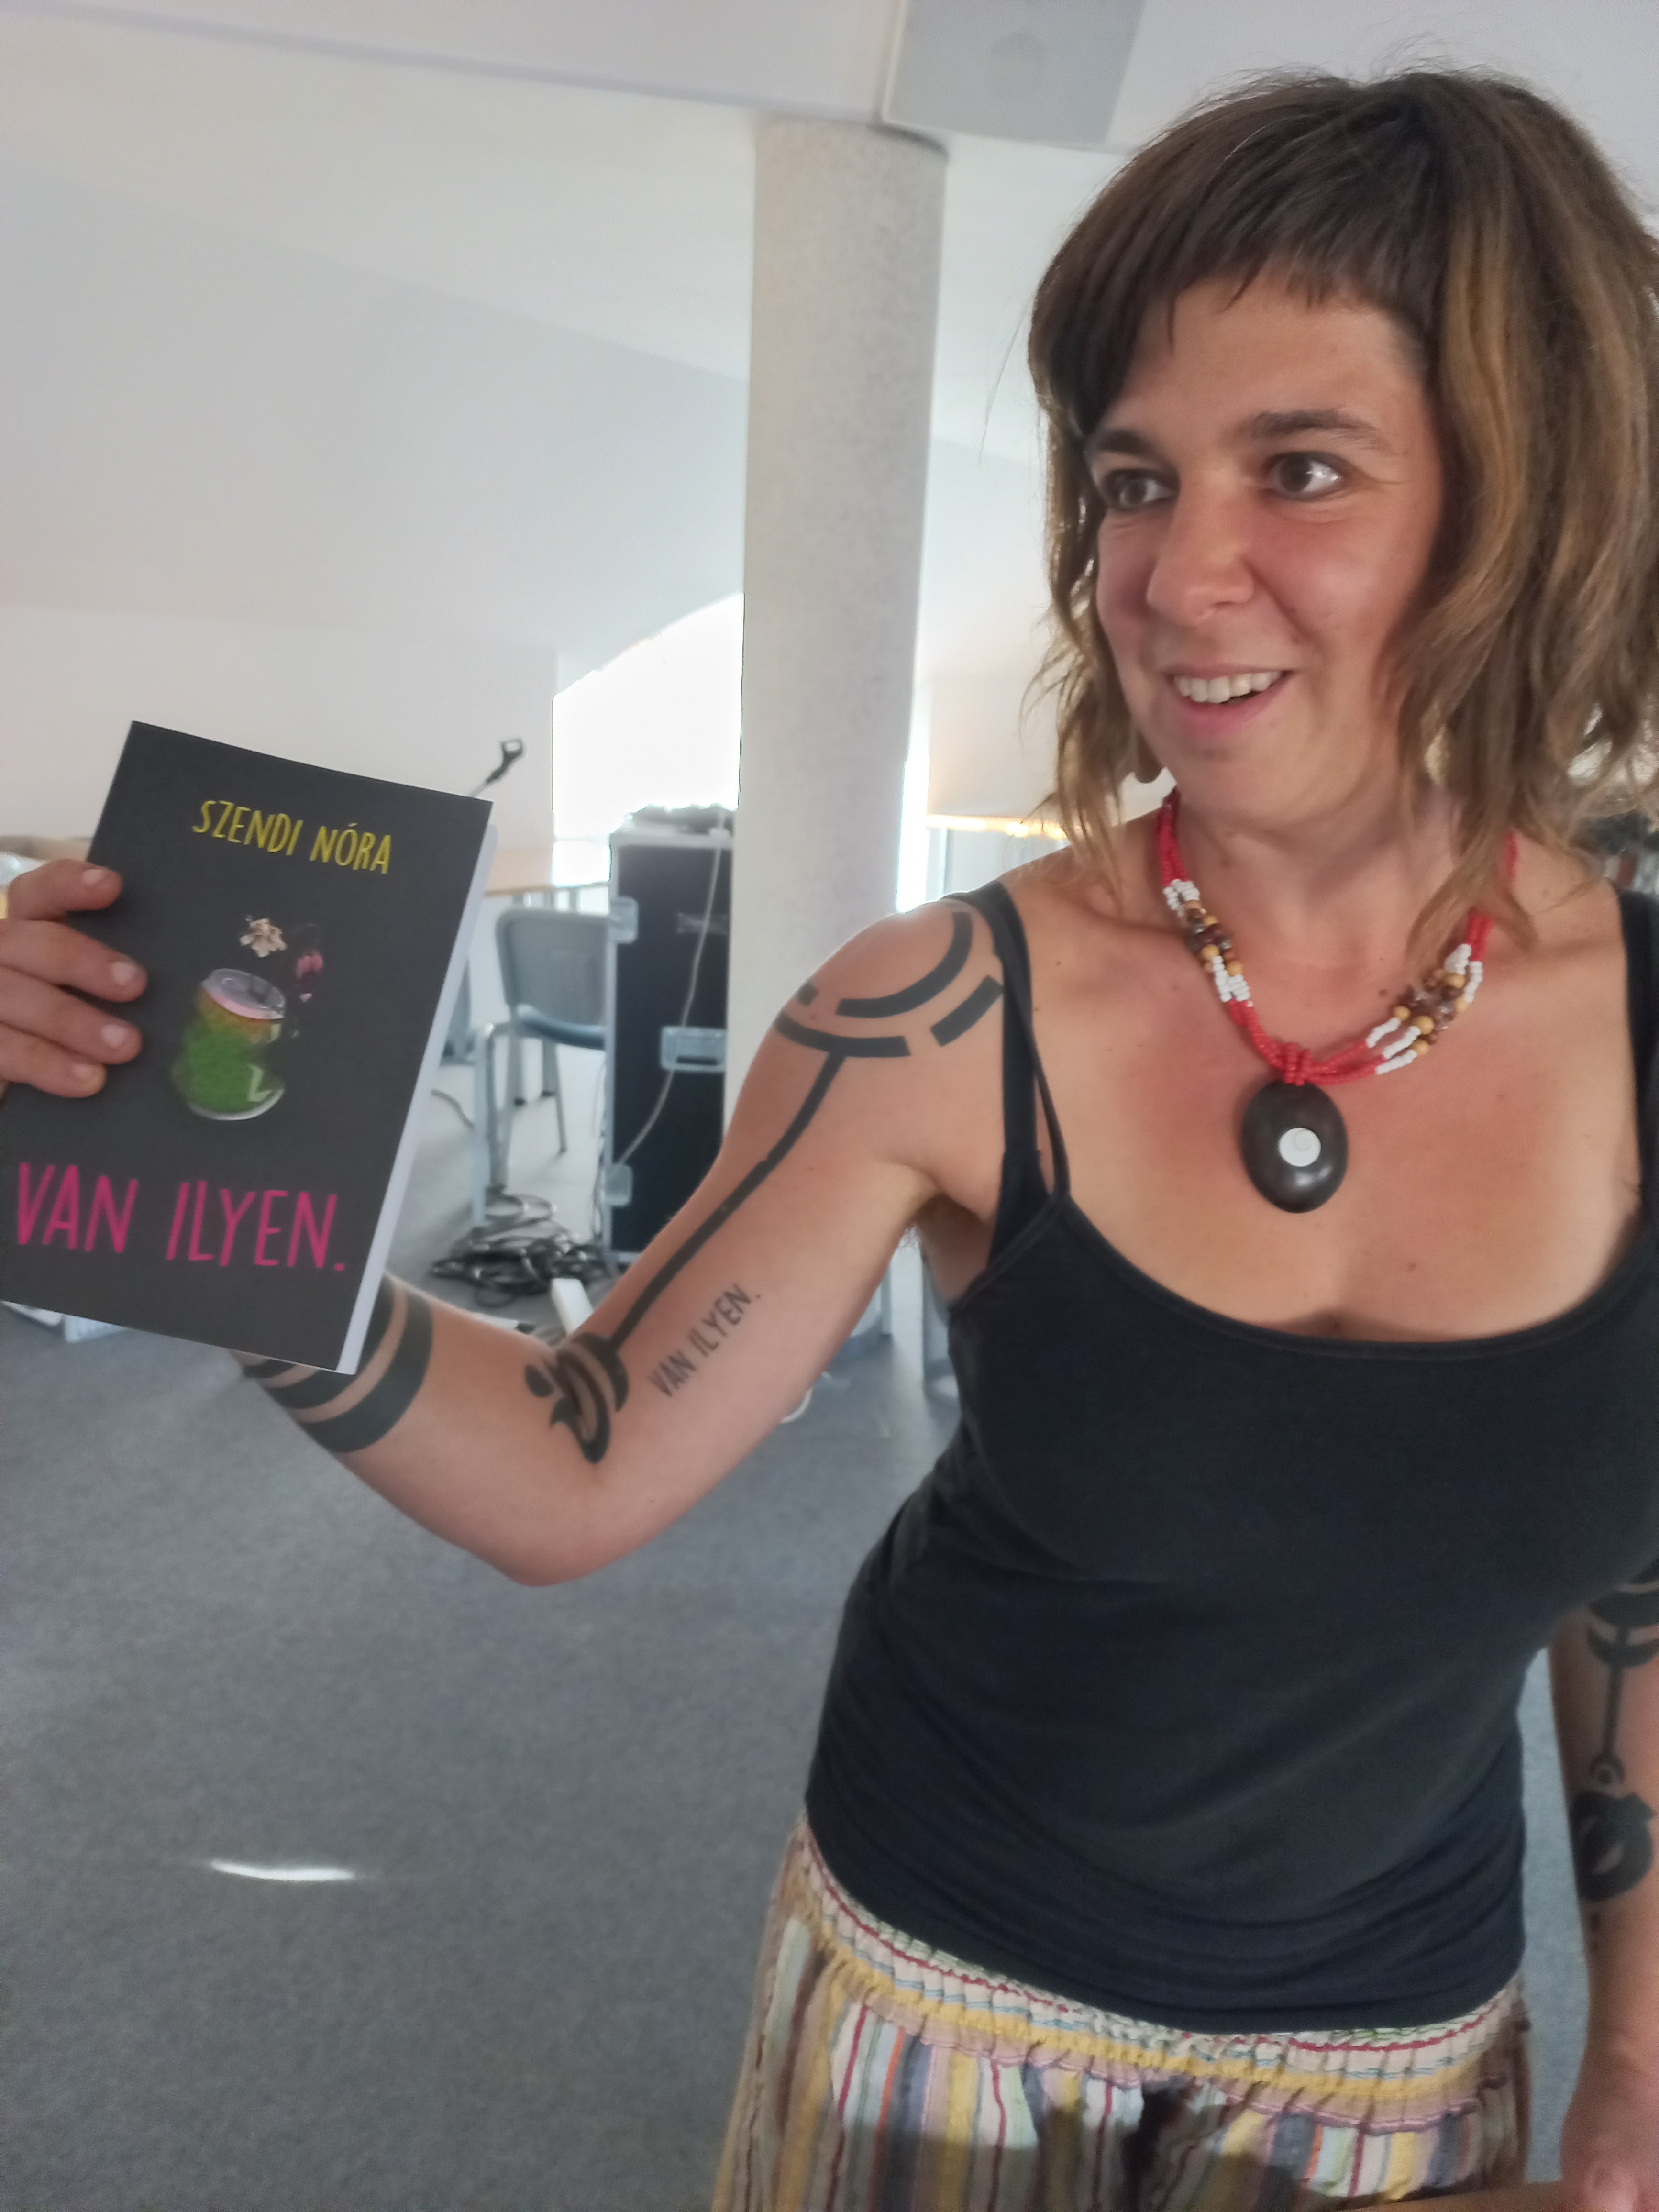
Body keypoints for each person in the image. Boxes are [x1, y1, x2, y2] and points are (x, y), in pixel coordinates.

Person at [4, 64, 1659, 2212]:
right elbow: (581, 1458)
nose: (1174, 576)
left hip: (1389, 2065)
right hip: (946, 2011)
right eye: (1134, 479)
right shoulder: (935, 1014)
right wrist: (202, 1194)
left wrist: (1639, 2074)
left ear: (1529, 503)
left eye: (1303, 468)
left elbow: (1636, 1577)